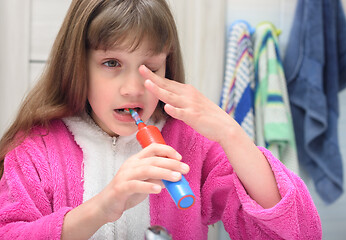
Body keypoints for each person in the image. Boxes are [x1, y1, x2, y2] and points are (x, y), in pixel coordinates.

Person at [0, 0, 321, 239]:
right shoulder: (35, 149)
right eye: (111, 63)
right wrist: (100, 209)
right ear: (77, 65)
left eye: (151, 68)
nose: (132, 89)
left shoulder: (193, 146)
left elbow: (298, 232)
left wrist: (230, 133)